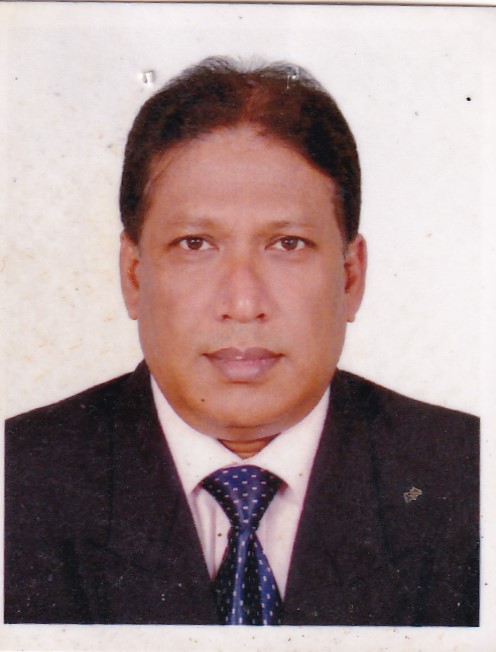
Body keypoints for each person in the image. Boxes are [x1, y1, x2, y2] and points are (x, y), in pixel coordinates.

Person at [4, 57, 479, 626]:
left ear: (350, 277)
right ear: (133, 275)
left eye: (287, 244)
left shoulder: (468, 477)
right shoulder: (20, 480)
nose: (244, 302)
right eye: (195, 244)